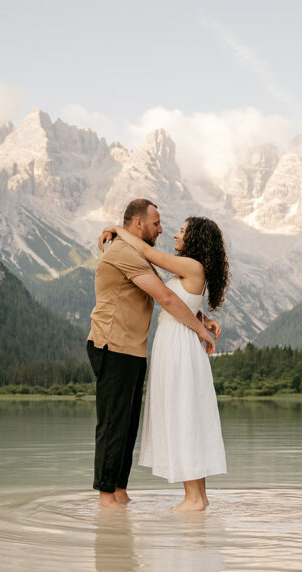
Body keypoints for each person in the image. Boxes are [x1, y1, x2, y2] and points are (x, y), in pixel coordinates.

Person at [87, 199, 218, 509]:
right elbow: (166, 298)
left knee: (127, 425)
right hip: (113, 345)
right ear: (138, 224)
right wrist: (200, 329)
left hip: (133, 349)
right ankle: (107, 498)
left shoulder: (138, 255)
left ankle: (120, 492)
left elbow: (178, 294)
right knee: (113, 424)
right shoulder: (124, 252)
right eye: (156, 223)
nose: (163, 229)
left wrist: (200, 317)